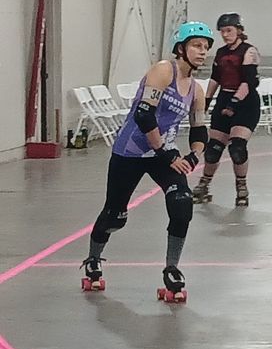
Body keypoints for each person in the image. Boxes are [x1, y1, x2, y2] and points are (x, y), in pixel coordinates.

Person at [80, 22, 211, 303]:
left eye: (206, 46)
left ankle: (172, 269)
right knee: (115, 216)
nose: (203, 51)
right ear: (181, 48)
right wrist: (165, 152)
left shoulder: (196, 90)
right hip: (132, 151)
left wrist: (192, 156)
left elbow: (200, 131)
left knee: (182, 204)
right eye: (197, 45)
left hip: (164, 153)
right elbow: (144, 116)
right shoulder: (164, 70)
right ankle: (93, 259)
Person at [193, 13, 261, 208]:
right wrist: (206, 101)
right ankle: (204, 185)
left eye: (229, 30)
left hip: (246, 102)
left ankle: (242, 187)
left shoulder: (249, 51)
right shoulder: (221, 52)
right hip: (224, 98)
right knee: (213, 149)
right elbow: (215, 78)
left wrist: (234, 103)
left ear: (239, 30)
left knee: (237, 148)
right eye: (222, 31)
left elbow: (250, 81)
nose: (225, 34)